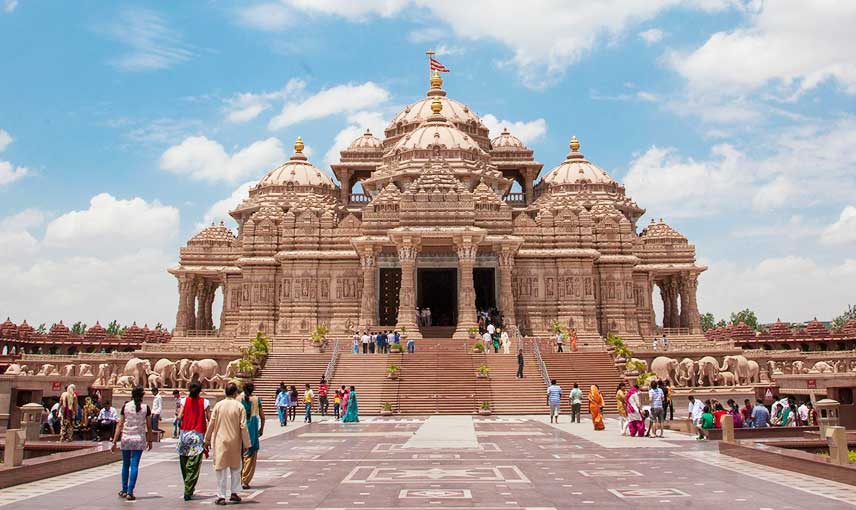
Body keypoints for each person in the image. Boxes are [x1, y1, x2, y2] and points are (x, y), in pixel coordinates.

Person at [204, 383, 250, 506]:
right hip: (235, 441)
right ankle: (234, 492)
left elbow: (211, 423)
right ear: (235, 393)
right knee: (236, 468)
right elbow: (243, 426)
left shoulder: (218, 406)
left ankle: (221, 496)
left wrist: (207, 439)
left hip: (220, 441)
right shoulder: (239, 406)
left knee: (220, 468)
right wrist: (247, 443)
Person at [111, 386, 153, 501]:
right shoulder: (145, 408)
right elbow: (149, 426)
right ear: (142, 396)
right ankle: (130, 491)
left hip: (126, 438)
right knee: (134, 465)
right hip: (139, 439)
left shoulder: (126, 406)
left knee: (125, 464)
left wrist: (114, 441)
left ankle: (124, 489)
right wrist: (150, 440)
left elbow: (120, 425)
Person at [177, 382, 209, 501]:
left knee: (184, 462)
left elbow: (179, 416)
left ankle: (187, 485)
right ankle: (188, 488)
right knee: (194, 465)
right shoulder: (205, 402)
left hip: (185, 435)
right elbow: (209, 419)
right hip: (197, 435)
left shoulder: (184, 401)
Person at [240, 383, 264, 489]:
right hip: (252, 429)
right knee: (250, 454)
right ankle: (245, 480)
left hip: (241, 428)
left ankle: (239, 477)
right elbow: (262, 416)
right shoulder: (256, 400)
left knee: (241, 454)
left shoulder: (238, 399)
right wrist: (261, 429)